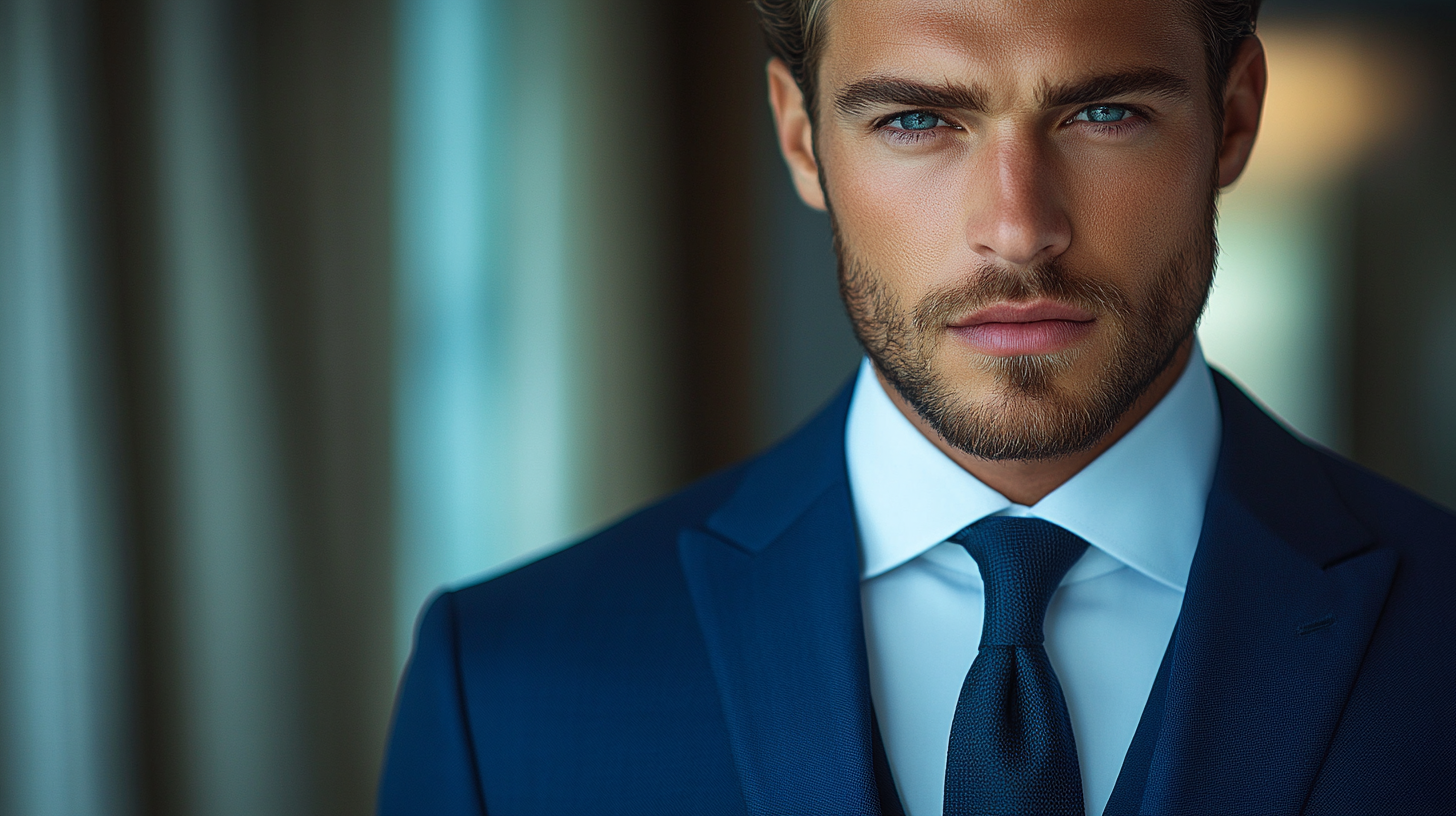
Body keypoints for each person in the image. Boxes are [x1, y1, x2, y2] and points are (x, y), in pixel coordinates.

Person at [377, 0, 1456, 813]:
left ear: (1231, 119)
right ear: (802, 140)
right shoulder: (505, 683)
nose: (1017, 228)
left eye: (1105, 112)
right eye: (916, 120)